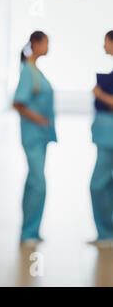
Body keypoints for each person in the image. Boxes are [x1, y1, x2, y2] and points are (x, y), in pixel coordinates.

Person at [13, 31, 57, 246]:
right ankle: (28, 232)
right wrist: (39, 119)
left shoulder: (35, 70)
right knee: (38, 183)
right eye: (47, 43)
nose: (49, 47)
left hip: (40, 137)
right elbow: (18, 103)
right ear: (36, 44)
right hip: (33, 135)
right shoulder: (28, 72)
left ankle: (31, 230)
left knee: (33, 181)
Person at [89, 30, 113, 248]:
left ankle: (107, 234)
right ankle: (107, 233)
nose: (103, 46)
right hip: (106, 136)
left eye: (106, 42)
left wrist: (99, 95)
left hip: (109, 139)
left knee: (98, 185)